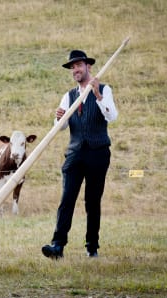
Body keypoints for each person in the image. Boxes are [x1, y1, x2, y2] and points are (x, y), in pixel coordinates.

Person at [42, 50, 118, 259]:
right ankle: (57, 246)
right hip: (75, 153)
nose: (75, 69)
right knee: (67, 199)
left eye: (79, 65)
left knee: (92, 202)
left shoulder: (104, 89)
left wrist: (98, 95)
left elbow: (112, 117)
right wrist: (59, 118)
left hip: (98, 152)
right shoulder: (69, 96)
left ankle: (91, 246)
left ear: (88, 67)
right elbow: (60, 128)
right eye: (72, 67)